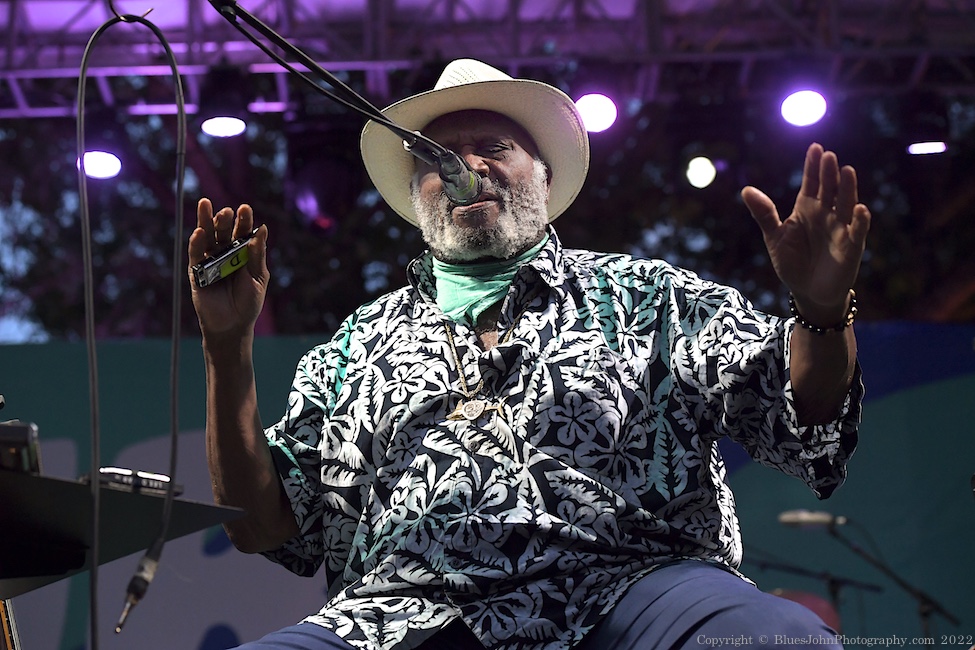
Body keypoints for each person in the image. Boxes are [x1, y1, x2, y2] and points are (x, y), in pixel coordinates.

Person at [188, 59, 870, 650]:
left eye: (492, 146)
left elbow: (799, 411)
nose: (466, 165)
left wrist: (818, 310)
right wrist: (226, 347)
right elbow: (263, 525)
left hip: (634, 588)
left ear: (543, 178)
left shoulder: (650, 298)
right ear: (416, 192)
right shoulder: (352, 347)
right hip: (399, 615)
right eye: (436, 156)